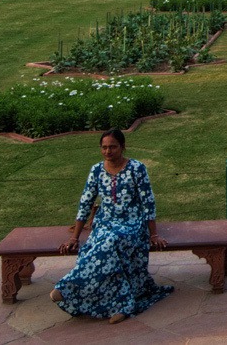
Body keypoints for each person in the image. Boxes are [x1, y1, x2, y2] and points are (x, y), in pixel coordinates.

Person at [50, 129, 173, 324]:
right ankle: (121, 305)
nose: (108, 151)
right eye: (104, 147)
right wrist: (74, 237)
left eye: (113, 147)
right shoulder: (96, 170)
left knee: (109, 243)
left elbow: (148, 202)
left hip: (132, 224)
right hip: (104, 223)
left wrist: (154, 234)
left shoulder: (136, 168)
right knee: (98, 248)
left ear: (123, 147)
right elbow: (86, 202)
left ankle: (67, 287)